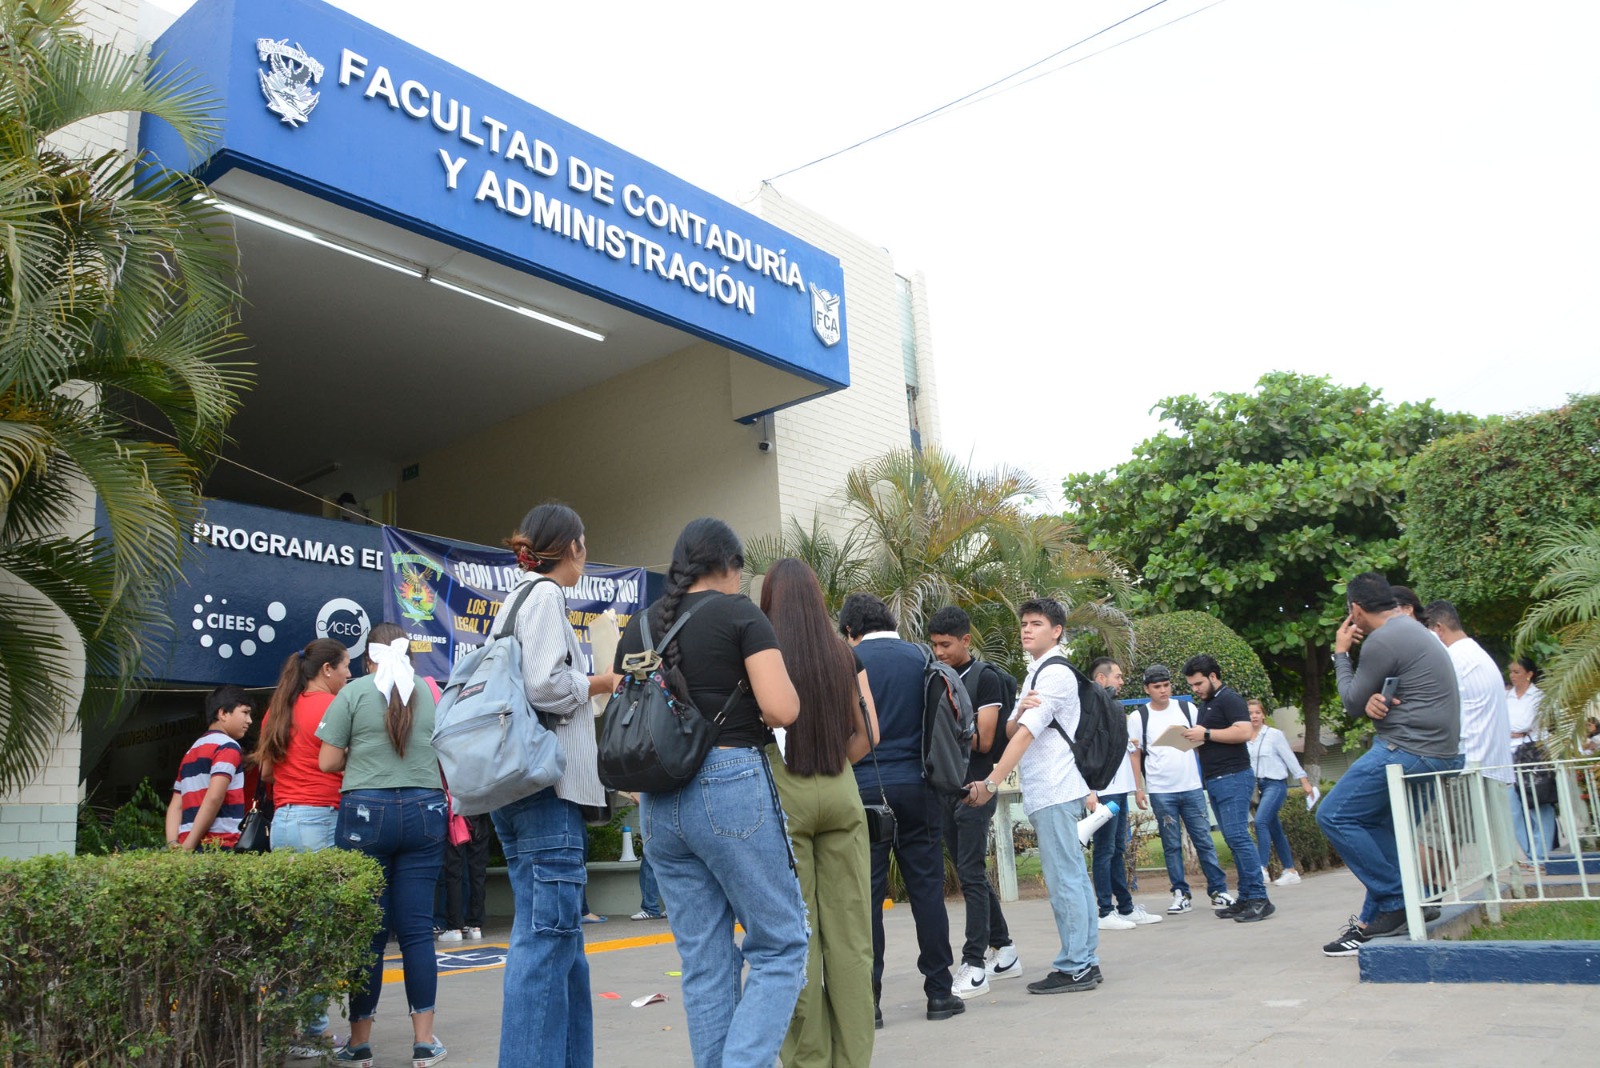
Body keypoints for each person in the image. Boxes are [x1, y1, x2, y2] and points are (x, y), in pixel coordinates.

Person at [614, 518, 808, 1067]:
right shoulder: (740, 615)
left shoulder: (640, 627)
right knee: (780, 943)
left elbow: (626, 715)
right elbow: (782, 710)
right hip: (729, 785)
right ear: (729, 566)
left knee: (705, 962)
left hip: (658, 802)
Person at [489, 502, 618, 1068]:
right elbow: (545, 685)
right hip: (548, 792)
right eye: (584, 543)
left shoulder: (512, 599)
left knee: (562, 947)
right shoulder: (543, 595)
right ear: (572, 547)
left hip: (517, 792)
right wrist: (600, 681)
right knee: (545, 946)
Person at [762, 558, 879, 1067]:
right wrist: (834, 764)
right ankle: (854, 1060)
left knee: (798, 938)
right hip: (840, 791)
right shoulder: (843, 654)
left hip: (785, 798)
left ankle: (809, 1060)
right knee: (851, 938)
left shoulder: (762, 656)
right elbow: (869, 733)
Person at [317, 622, 449, 1067]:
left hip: (365, 812)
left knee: (368, 935)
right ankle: (425, 1043)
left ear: (367, 658)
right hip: (425, 809)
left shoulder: (352, 694)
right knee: (417, 932)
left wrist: (367, 757)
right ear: (408, 654)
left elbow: (328, 759)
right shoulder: (430, 693)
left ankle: (360, 1045)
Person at [1318, 572, 1463, 957]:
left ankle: (1401, 899)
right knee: (1376, 825)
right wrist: (1375, 700)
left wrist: (1340, 653)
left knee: (1334, 815)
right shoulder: (1412, 630)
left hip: (1409, 749)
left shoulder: (1382, 639)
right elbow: (1382, 695)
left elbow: (1350, 702)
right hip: (1438, 749)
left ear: (1356, 610)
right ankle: (1377, 918)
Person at [963, 598, 1102, 995]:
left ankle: (1077, 965)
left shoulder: (1054, 674)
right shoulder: (1036, 673)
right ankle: (1084, 961)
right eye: (1024, 623)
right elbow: (1012, 728)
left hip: (1056, 788)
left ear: (1056, 630)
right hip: (1053, 789)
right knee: (1072, 877)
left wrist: (990, 783)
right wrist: (1019, 709)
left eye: (1036, 623)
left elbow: (1023, 736)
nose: (1026, 629)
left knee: (1065, 881)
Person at [838, 592, 963, 1023]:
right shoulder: (922, 658)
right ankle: (940, 993)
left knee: (866, 899)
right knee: (927, 889)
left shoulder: (848, 661)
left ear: (850, 631)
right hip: (919, 785)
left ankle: (868, 1003)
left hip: (863, 790)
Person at [252, 638, 352, 1055]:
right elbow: (342, 759)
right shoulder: (330, 707)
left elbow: (268, 772)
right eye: (346, 666)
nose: (350, 675)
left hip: (285, 822)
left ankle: (280, 1024)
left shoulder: (278, 709)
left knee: (289, 929)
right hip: (320, 817)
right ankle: (312, 1030)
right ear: (326, 669)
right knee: (316, 934)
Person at [927, 605, 1021, 1000]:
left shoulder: (983, 678)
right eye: (934, 645)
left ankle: (975, 963)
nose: (939, 653)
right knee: (971, 872)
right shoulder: (935, 675)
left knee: (969, 870)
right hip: (946, 785)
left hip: (977, 785)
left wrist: (947, 728)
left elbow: (984, 740)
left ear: (966, 640)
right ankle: (1007, 949)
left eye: (946, 645)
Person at [1128, 664, 1230, 915]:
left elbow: (1201, 741)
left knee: (1204, 840)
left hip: (1191, 785)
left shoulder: (1188, 709)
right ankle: (1180, 893)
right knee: (1171, 843)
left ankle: (1218, 890)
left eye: (1166, 685)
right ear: (1147, 689)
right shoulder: (1139, 717)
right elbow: (1135, 754)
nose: (1163, 691)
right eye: (1157, 687)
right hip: (1162, 789)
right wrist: (1138, 789)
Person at [1181, 655, 1274, 922]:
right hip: (1217, 779)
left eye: (1198, 683)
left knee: (1238, 837)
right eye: (1192, 685)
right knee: (1233, 840)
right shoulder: (1208, 704)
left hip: (1234, 776)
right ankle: (1245, 898)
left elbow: (1244, 732)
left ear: (1213, 676)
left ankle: (1259, 898)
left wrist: (1206, 734)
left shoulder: (1229, 699)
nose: (1195, 689)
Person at [1088, 657, 1160, 930]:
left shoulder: (1116, 710)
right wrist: (1090, 791)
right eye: (1116, 676)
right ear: (1101, 679)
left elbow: (1128, 752)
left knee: (1117, 849)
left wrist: (1136, 787)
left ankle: (1125, 907)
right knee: (1105, 850)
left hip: (1119, 790)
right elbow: (1085, 753)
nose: (1121, 681)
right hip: (1104, 792)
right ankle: (1105, 912)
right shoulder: (1090, 712)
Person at [166, 685, 253, 851]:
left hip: (186, 844)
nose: (249, 720)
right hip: (219, 845)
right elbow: (214, 797)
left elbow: (176, 805)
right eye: (245, 712)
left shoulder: (191, 751)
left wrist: (173, 843)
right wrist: (190, 846)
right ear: (223, 713)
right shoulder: (228, 747)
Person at [1245, 698, 1314, 887]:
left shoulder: (1274, 735)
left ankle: (1262, 868)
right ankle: (1290, 870)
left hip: (1275, 784)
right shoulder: (1244, 736)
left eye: (1257, 712)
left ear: (1263, 714)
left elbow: (1290, 758)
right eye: (1250, 713)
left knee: (1260, 821)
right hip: (1258, 788)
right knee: (1274, 828)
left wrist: (1304, 781)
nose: (1254, 716)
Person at [1504, 655, 1555, 861]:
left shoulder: (1539, 697)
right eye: (1511, 672)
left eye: (1517, 672)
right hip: (1508, 753)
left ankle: (1542, 854)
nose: (1513, 676)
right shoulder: (1505, 697)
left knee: (1538, 804)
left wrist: (1513, 730)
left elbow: (1525, 724)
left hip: (1532, 753)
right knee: (1512, 807)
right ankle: (1529, 853)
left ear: (1529, 674)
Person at [439, 812, 492, 940]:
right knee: (478, 873)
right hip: (479, 816)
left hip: (455, 818)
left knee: (453, 873)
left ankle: (454, 927)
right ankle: (475, 926)